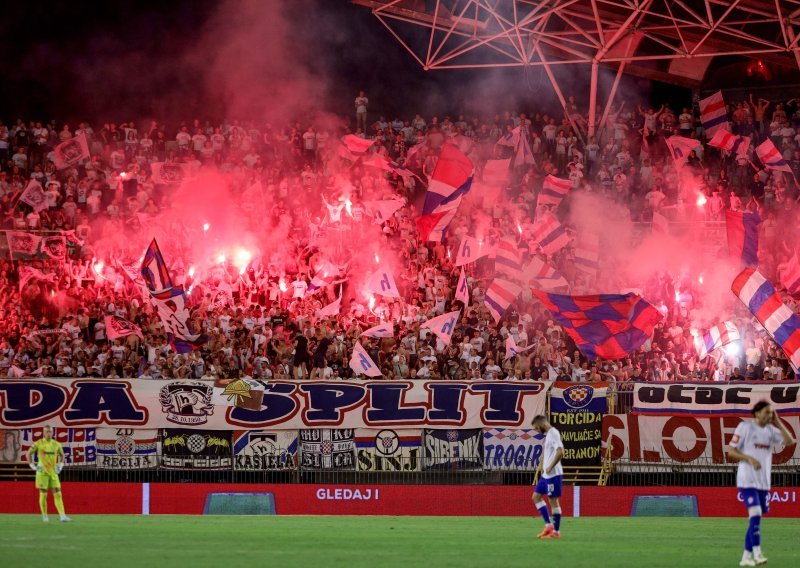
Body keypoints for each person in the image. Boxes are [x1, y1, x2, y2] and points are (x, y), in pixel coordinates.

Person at [726, 401, 794, 566]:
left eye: (771, 413)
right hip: (747, 479)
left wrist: (777, 421)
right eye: (766, 412)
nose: (769, 415)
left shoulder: (771, 430)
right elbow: (731, 451)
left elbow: (790, 441)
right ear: (756, 413)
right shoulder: (745, 427)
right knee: (755, 514)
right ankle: (757, 554)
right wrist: (749, 458)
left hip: (764, 482)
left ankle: (745, 558)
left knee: (754, 519)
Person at [26, 425, 71, 523]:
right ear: (43, 432)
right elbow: (28, 453)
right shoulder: (38, 443)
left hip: (53, 473)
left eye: (50, 432)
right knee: (44, 494)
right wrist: (32, 466)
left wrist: (60, 466)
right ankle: (45, 516)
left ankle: (62, 516)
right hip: (42, 473)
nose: (49, 433)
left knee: (58, 493)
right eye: (47, 432)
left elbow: (62, 455)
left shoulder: (57, 444)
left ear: (53, 432)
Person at [531, 414, 564, 539]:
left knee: (553, 501)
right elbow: (549, 451)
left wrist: (550, 466)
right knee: (536, 497)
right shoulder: (548, 435)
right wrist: (542, 464)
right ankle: (548, 526)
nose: (537, 431)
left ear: (542, 424)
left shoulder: (554, 433)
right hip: (546, 475)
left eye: (536, 428)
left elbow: (560, 452)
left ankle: (556, 532)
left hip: (553, 474)